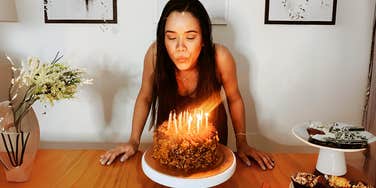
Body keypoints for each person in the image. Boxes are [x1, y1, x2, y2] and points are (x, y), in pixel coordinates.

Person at [100, 0, 275, 170]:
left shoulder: (220, 57)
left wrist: (242, 143)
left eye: (190, 37)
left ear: (204, 38)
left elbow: (234, 99)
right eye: (171, 37)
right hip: (170, 150)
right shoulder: (155, 55)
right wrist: (133, 141)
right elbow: (145, 97)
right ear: (163, 39)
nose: (180, 47)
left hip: (212, 144)